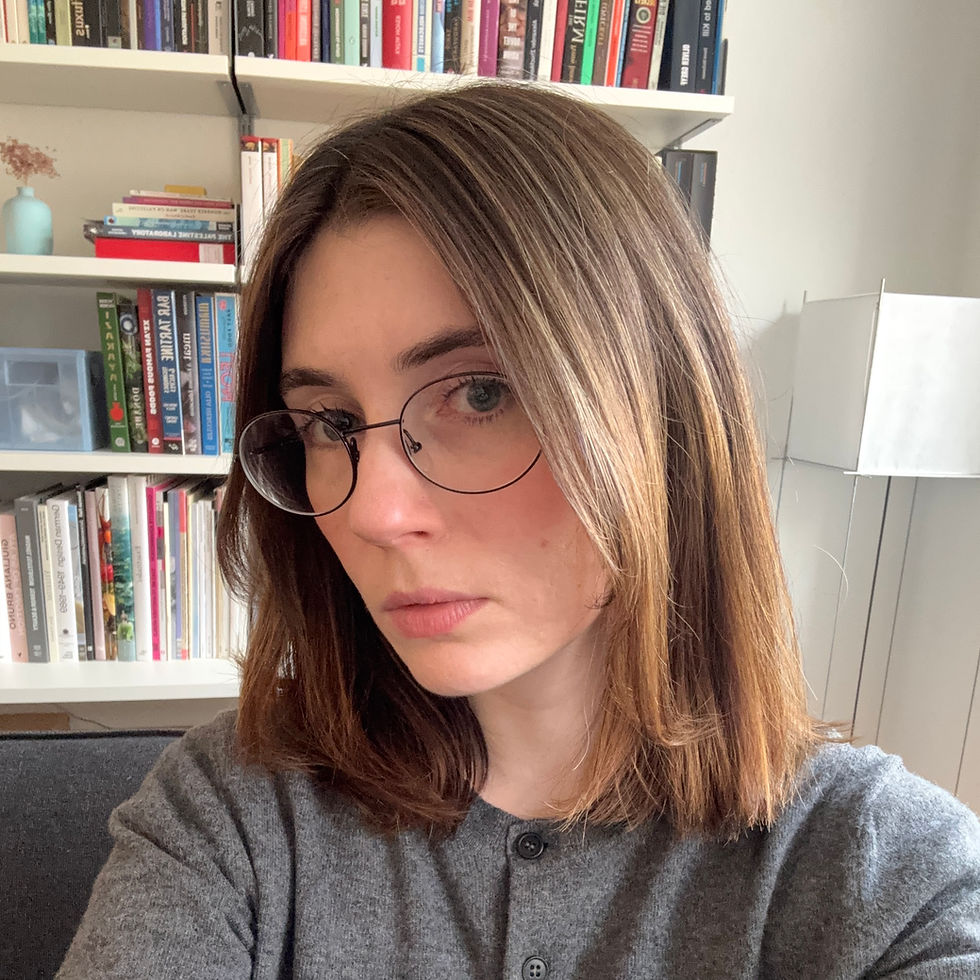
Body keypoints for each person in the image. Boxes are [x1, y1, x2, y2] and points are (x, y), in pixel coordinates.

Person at [57, 81, 980, 979]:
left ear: (659, 414)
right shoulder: (230, 811)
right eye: (331, 425)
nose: (376, 512)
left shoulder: (881, 870)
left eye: (482, 393)